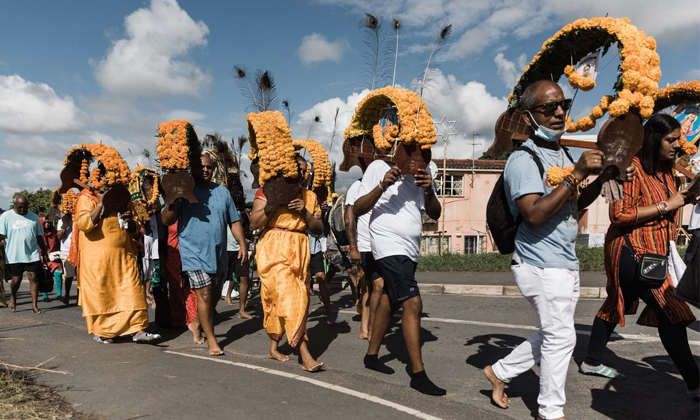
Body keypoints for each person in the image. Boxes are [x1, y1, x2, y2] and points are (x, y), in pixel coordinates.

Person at [483, 80, 624, 420]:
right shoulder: (521, 160)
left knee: (554, 331)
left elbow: (572, 204)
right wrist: (575, 175)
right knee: (561, 337)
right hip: (537, 262)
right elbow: (533, 215)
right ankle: (550, 411)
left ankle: (500, 372)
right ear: (529, 117)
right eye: (550, 108)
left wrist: (603, 176)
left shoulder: (561, 154)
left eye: (564, 104)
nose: (560, 112)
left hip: (563, 260)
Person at [581, 113, 699, 400]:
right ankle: (696, 384)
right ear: (655, 139)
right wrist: (666, 204)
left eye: (678, 139)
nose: (676, 145)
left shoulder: (666, 171)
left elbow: (675, 202)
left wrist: (689, 195)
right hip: (631, 250)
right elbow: (619, 214)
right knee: (671, 312)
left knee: (616, 301)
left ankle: (592, 360)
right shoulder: (631, 168)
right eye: (671, 140)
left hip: (656, 251)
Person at [353, 158, 444, 396]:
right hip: (386, 244)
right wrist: (383, 185)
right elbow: (357, 208)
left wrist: (429, 189)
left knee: (389, 300)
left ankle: (371, 356)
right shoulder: (378, 167)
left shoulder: (424, 168)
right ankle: (418, 374)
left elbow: (435, 213)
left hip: (410, 248)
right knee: (412, 302)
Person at [162, 154, 247, 356]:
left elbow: (234, 221)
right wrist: (173, 201)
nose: (205, 170)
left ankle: (197, 321)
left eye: (209, 167)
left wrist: (243, 243)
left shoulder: (222, 192)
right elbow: (166, 219)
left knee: (214, 296)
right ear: (194, 169)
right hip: (193, 253)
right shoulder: (184, 191)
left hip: (219, 254)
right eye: (201, 167)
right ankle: (212, 339)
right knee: (205, 293)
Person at [250, 155, 324, 372]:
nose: (300, 173)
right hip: (274, 250)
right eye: (296, 169)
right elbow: (254, 222)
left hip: (300, 251)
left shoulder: (309, 197)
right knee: (291, 297)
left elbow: (318, 228)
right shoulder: (268, 190)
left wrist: (304, 212)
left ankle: (274, 346)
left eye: (303, 170)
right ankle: (305, 354)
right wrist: (272, 205)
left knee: (285, 300)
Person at [72, 184, 160, 344]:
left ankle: (138, 329)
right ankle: (105, 332)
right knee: (104, 296)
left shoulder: (124, 197)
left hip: (124, 255)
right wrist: (100, 204)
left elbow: (137, 226)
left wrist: (130, 220)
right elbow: (83, 224)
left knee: (133, 290)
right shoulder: (86, 198)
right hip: (97, 260)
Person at [345, 179, 383, 341]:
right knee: (378, 285)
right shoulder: (358, 185)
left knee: (368, 287)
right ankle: (372, 328)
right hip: (366, 246)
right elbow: (349, 218)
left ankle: (364, 329)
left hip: (382, 244)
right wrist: (353, 247)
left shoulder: (386, 183)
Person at [0, 195, 47, 313]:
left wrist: (45, 251)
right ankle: (13, 296)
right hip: (14, 254)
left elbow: (39, 236)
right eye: (20, 207)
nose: (22, 210)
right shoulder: (6, 216)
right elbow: (1, 237)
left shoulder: (34, 217)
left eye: (25, 207)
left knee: (33, 277)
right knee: (16, 279)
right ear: (14, 205)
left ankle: (34, 305)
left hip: (32, 253)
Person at [224, 223, 254, 319]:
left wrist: (244, 245)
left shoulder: (241, 215)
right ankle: (211, 308)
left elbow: (249, 228)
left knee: (244, 277)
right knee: (220, 280)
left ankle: (242, 311)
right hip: (224, 249)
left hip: (240, 249)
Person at [40, 217, 63, 302]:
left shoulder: (54, 233)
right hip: (44, 258)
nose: (47, 224)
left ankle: (59, 294)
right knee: (45, 276)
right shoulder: (39, 233)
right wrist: (42, 255)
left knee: (58, 274)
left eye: (49, 222)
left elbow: (58, 243)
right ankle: (45, 296)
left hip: (54, 257)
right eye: (45, 223)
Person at [57, 211, 77, 305]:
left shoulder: (78, 218)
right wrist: (65, 225)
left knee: (80, 275)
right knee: (69, 275)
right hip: (66, 251)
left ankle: (79, 297)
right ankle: (67, 295)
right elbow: (59, 236)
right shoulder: (61, 221)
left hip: (79, 249)